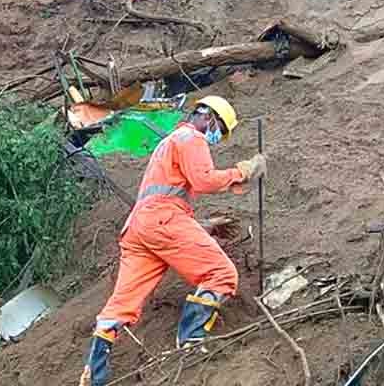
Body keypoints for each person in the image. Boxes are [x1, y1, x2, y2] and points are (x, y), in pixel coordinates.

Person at [78, 96, 265, 386]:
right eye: (220, 130)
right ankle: (190, 341)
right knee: (222, 273)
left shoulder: (170, 141)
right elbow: (203, 180)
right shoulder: (192, 138)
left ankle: (94, 375)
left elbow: (166, 195)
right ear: (209, 117)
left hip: (139, 228)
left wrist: (200, 226)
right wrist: (243, 171)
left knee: (121, 304)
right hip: (163, 220)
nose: (217, 138)